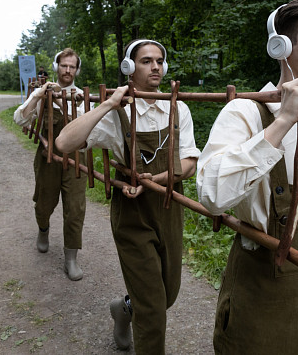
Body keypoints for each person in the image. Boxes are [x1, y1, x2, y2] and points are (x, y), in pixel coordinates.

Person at [197, 0, 298, 354]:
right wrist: (284, 120)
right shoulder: (246, 112)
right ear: (281, 47)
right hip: (265, 291)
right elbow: (211, 196)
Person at [55, 39, 201, 354]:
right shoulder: (117, 112)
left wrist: (157, 180)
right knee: (152, 309)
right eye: (147, 61)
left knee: (167, 295)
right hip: (132, 214)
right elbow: (64, 143)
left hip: (168, 207)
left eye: (160, 61)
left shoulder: (179, 107)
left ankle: (123, 310)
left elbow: (189, 162)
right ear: (129, 68)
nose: (156, 67)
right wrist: (107, 104)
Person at [13, 48, 89, 281]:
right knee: (44, 202)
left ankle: (71, 259)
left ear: (77, 70)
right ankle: (43, 229)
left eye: (72, 66)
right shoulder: (45, 94)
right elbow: (20, 119)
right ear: (57, 67)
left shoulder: (85, 97)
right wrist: (38, 95)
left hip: (77, 159)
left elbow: (92, 133)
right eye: (64, 65)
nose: (68, 70)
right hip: (48, 158)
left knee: (75, 208)